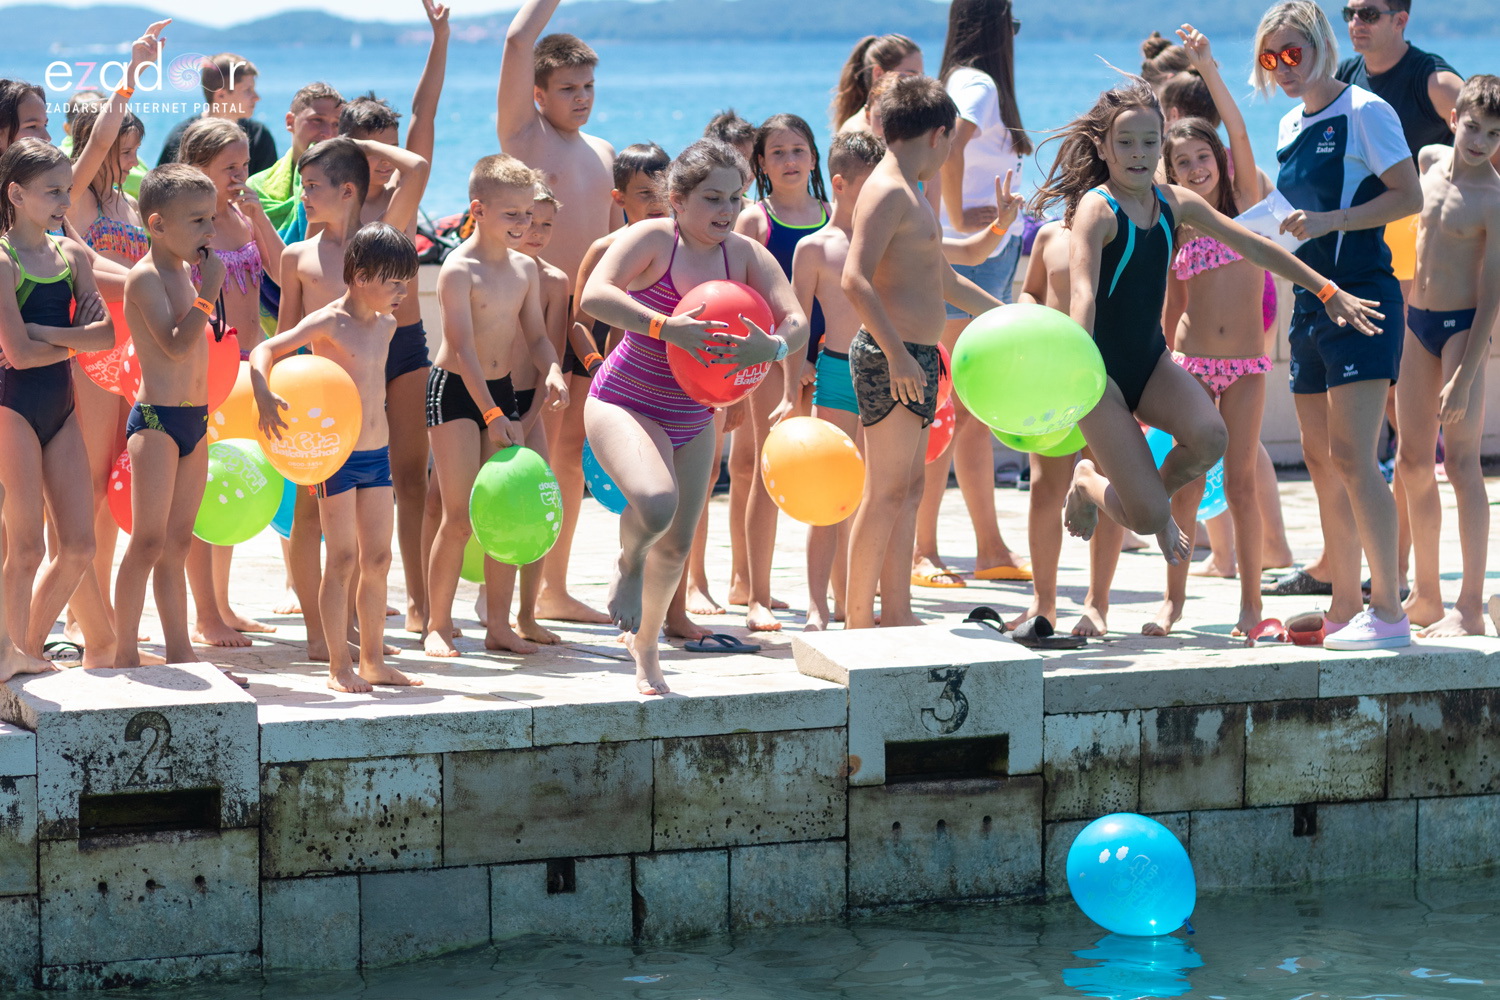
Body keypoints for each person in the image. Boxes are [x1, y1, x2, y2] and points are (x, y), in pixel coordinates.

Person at [1026, 74, 1383, 607]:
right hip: (1099, 377)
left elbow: (1257, 247)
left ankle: (1138, 496)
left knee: (1212, 438)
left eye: (1149, 141)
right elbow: (1083, 295)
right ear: (1102, 147)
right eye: (1125, 142)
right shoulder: (1098, 210)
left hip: (1150, 364)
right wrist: (1077, 378)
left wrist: (1326, 289)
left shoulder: (1176, 203)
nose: (1139, 153)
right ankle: (1091, 484)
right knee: (1145, 517)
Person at [580, 139, 806, 695]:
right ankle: (628, 562)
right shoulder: (654, 239)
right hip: (624, 400)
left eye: (735, 198)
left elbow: (795, 318)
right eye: (711, 198)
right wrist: (664, 327)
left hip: (695, 413)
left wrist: (773, 348)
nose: (726, 210)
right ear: (677, 200)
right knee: (656, 503)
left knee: (678, 544)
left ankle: (646, 649)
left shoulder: (745, 255)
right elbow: (594, 296)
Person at [1252, 0, 1422, 649]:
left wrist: (1332, 223)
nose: (1284, 67)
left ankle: (1390, 613)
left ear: (1322, 45)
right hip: (1310, 304)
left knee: (1355, 457)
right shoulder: (1289, 123)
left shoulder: (1364, 111)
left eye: (1293, 52)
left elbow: (1409, 195)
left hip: (1363, 298)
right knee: (1322, 460)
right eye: (1272, 57)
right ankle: (1346, 604)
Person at [840, 76, 1015, 631]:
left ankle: (897, 611)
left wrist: (1010, 319)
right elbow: (854, 279)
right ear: (939, 134)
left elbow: (949, 280)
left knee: (910, 489)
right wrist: (896, 355)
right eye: (953, 141)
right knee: (884, 492)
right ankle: (857, 622)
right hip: (891, 358)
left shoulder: (911, 192)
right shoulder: (889, 191)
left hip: (916, 358)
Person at [252, 222, 423, 693]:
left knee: (378, 558)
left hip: (377, 455)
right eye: (395, 283)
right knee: (343, 558)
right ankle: (337, 665)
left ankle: (373, 661)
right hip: (338, 456)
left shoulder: (387, 325)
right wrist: (263, 392)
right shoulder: (328, 321)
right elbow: (267, 348)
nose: (403, 293)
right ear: (362, 277)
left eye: (406, 283)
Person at [1152, 24, 1280, 637]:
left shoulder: (1247, 206)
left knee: (1242, 483)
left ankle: (1251, 605)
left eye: (1203, 157)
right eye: (1183, 163)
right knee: (1187, 486)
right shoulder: (1177, 221)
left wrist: (1208, 69)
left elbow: (1240, 131)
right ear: (1171, 172)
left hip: (1248, 367)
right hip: (1191, 366)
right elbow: (1170, 304)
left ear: (1220, 162)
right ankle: (1173, 600)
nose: (1196, 168)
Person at [278, 136, 426, 660]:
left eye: (312, 185)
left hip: (367, 396)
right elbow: (286, 338)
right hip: (317, 405)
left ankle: (359, 632)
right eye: (301, 184)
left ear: (346, 190)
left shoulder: (377, 242)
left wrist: (354, 142)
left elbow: (417, 168)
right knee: (307, 518)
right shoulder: (297, 256)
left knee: (368, 531)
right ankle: (319, 633)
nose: (302, 195)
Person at [497, 0, 619, 627]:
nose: (582, 97)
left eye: (589, 86)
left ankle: (553, 587)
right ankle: (498, 588)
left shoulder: (602, 150)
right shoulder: (526, 139)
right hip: (534, 313)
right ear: (538, 94)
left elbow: (618, 237)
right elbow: (518, 42)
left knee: (569, 452)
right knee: (524, 448)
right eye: (569, 88)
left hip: (589, 319)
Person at [425, 155, 567, 658]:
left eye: (527, 214)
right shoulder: (457, 270)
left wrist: (552, 370)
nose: (523, 224)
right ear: (478, 209)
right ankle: (438, 625)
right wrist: (491, 415)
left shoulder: (524, 269)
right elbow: (462, 349)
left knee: (503, 513)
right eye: (512, 214)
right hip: (455, 392)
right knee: (459, 517)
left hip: (501, 390)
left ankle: (500, 627)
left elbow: (538, 337)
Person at [338, 0, 449, 633]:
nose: (384, 159)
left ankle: (418, 602)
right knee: (351, 478)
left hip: (404, 347)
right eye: (370, 149)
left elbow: (424, 114)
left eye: (389, 148)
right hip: (351, 353)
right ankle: (356, 598)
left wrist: (440, 37)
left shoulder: (402, 205)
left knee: (410, 475)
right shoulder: (340, 206)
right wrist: (348, 149)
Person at [916, 0, 1030, 590]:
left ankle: (988, 546)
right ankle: (924, 549)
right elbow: (951, 144)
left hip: (988, 255)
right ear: (993, 27)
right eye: (1011, 23)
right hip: (974, 258)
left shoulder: (970, 82)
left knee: (970, 411)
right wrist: (959, 218)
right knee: (950, 407)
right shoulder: (978, 84)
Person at [0, 139, 117, 671]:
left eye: (67, 190)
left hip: (61, 407)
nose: (65, 202)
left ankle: (20, 649)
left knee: (78, 547)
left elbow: (106, 336)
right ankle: (10, 654)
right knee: (25, 547)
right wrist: (75, 338)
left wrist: (48, 332)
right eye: (52, 191)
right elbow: (18, 357)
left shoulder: (71, 254)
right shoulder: (4, 261)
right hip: (13, 407)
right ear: (16, 194)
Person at [1395, 75, 1500, 638]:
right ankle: (1427, 594)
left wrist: (1465, 374)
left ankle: (1472, 606)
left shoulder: (1493, 199)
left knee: (1461, 466)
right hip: (1417, 323)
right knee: (1412, 462)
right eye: (1474, 127)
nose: (1481, 142)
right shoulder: (1429, 159)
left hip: (1464, 330)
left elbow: (1492, 296)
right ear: (1454, 118)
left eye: (1494, 134)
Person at [175, 117, 286, 647]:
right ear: (198, 168)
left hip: (249, 366)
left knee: (230, 483)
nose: (242, 175)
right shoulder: (190, 226)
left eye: (244, 164)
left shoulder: (244, 216)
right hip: (211, 368)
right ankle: (205, 613)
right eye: (229, 167)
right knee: (204, 488)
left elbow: (282, 274)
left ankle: (222, 604)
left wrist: (260, 219)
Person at [111, 164, 221, 669]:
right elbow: (175, 346)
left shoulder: (184, 273)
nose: (209, 231)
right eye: (197, 221)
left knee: (178, 544)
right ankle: (125, 652)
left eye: (211, 218)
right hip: (156, 423)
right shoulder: (145, 278)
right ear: (157, 225)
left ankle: (180, 651)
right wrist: (208, 294)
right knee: (148, 541)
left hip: (195, 422)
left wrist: (204, 290)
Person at [734, 113, 829, 632]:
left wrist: (823, 353)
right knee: (765, 470)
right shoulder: (755, 221)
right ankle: (757, 595)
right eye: (777, 153)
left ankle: (832, 592)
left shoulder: (833, 215)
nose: (789, 160)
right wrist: (791, 357)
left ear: (814, 157)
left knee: (830, 467)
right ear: (761, 165)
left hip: (830, 356)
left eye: (798, 150)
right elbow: (746, 298)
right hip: (771, 355)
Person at [792, 130, 883, 631]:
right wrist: (792, 384)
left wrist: (996, 229)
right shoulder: (814, 248)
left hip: (886, 372)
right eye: (869, 185)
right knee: (829, 494)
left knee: (874, 493)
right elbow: (797, 323)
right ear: (841, 184)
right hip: (835, 370)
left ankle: (853, 598)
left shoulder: (887, 239)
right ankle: (817, 604)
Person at [1336, 0, 1464, 158]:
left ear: (1400, 21)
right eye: (1349, 14)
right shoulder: (1343, 76)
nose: (1355, 24)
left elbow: (1488, 145)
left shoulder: (1437, 83)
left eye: (1368, 14)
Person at [247, 82, 345, 235]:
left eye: (336, 124)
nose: (328, 133)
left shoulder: (347, 187)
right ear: (290, 122)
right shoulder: (256, 187)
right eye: (317, 120)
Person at [157, 53, 277, 174]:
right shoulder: (182, 139)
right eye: (247, 90)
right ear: (221, 95)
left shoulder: (259, 137)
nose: (257, 97)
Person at [830, 34, 923, 134]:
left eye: (921, 76)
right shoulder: (859, 133)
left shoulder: (894, 127)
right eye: (911, 76)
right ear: (879, 74)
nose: (918, 84)